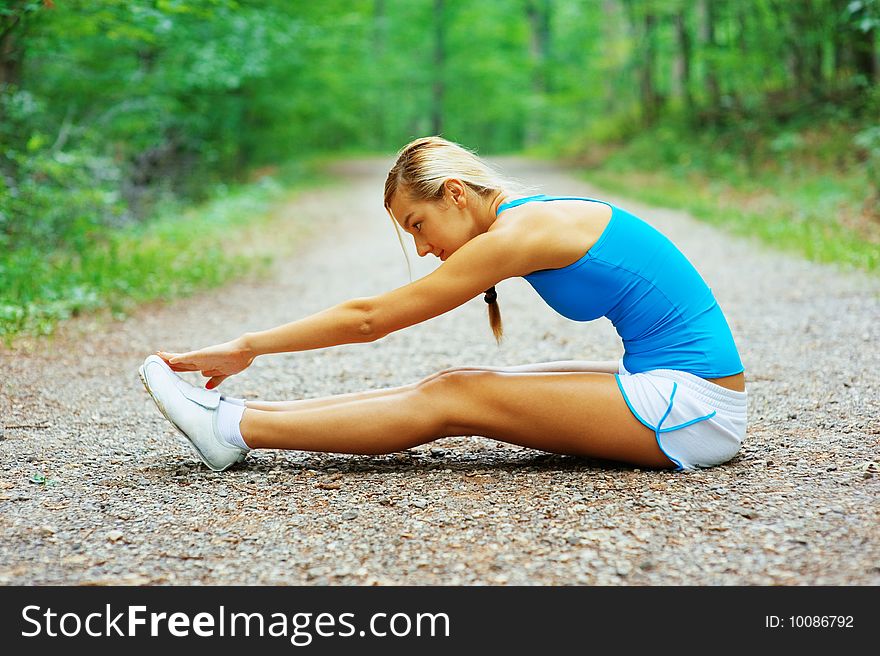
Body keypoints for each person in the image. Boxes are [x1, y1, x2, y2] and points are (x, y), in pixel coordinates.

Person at [139, 136, 747, 473]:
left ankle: (233, 429)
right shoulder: (528, 218)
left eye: (420, 224)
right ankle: (244, 413)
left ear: (455, 193)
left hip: (692, 410)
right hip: (669, 386)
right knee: (469, 381)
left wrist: (246, 345)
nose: (425, 247)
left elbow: (371, 320)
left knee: (457, 396)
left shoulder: (519, 234)